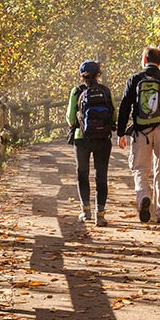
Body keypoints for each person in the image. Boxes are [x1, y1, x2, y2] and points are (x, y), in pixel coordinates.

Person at [116, 46, 160, 223]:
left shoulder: (135, 79)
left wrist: (121, 132)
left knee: (140, 168)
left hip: (141, 131)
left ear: (145, 60)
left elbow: (125, 107)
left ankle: (144, 197)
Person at [66, 60, 117, 226]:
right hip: (103, 139)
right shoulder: (105, 91)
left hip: (82, 138)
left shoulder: (76, 91)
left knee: (82, 174)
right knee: (101, 175)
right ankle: (100, 215)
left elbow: (70, 118)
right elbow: (113, 115)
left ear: (81, 75)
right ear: (98, 74)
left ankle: (85, 211)